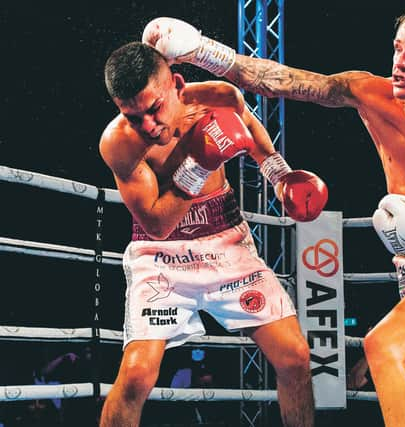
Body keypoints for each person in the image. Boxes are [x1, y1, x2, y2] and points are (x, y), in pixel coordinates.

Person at [140, 1, 405, 426]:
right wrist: (202, 50)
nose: (401, 62)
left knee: (382, 347)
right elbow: (286, 83)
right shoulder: (371, 94)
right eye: (399, 48)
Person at [100, 40, 326, 427]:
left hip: (227, 242)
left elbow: (251, 133)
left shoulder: (220, 98)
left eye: (154, 109)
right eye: (134, 116)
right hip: (162, 257)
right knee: (137, 375)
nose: (149, 127)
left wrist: (280, 176)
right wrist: (200, 163)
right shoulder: (119, 143)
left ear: (176, 84)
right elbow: (157, 224)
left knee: (295, 357)